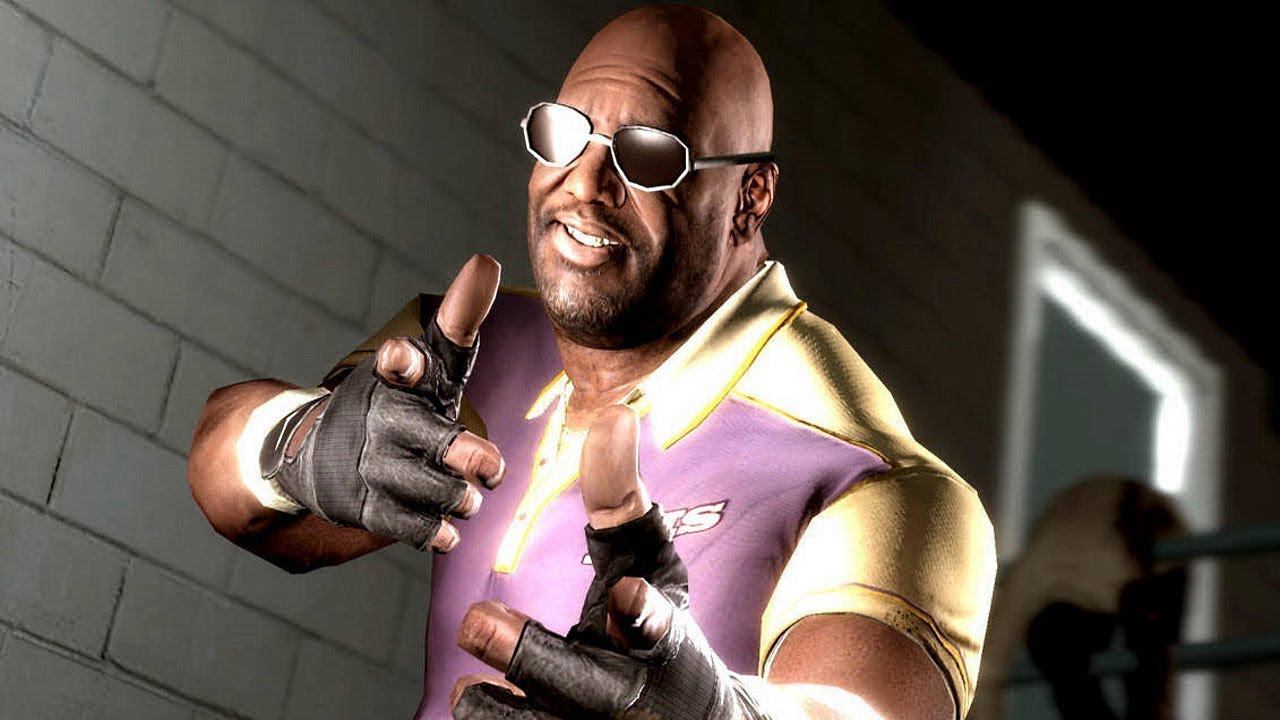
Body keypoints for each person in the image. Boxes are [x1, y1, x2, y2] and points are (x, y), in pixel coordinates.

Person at [188, 5, 996, 719]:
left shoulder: (865, 477)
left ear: (750, 197)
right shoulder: (474, 347)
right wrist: (292, 448)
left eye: (649, 157)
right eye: (565, 134)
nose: (585, 184)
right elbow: (233, 491)